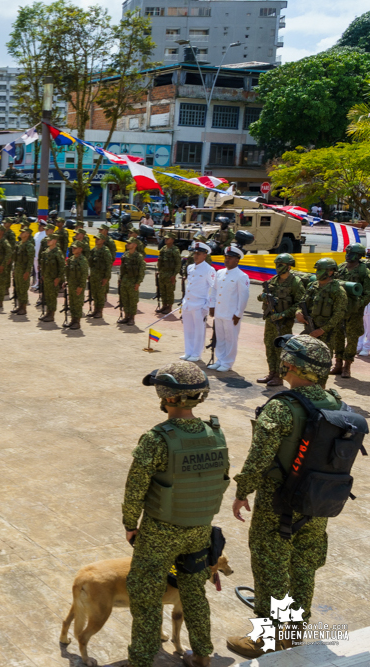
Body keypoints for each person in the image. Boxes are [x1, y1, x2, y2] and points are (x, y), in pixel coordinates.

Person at [226, 335, 350, 659]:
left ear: (291, 365)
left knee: (271, 565)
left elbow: (259, 457)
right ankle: (292, 633)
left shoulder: (282, 407)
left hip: (277, 503)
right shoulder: (337, 402)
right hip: (318, 502)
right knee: (304, 565)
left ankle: (266, 639)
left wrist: (242, 491)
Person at [125, 361, 227, 667]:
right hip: (199, 529)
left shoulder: (157, 438)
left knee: (146, 594)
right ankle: (203, 654)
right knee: (194, 591)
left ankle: (142, 659)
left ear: (166, 396)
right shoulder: (215, 433)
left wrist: (131, 524)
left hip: (160, 531)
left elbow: (135, 489)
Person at [257, 254, 307, 386]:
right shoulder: (273, 280)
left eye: (280, 265)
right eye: (276, 265)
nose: (277, 268)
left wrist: (283, 314)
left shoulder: (295, 282)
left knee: (281, 349)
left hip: (283, 322)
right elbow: (260, 296)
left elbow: (300, 304)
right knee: (269, 345)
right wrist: (263, 296)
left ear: (289, 266)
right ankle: (272, 372)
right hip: (271, 320)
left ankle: (279, 376)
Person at [207, 245, 251, 372]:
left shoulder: (241, 276)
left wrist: (239, 314)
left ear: (237, 260)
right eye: (226, 257)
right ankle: (220, 360)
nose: (227, 260)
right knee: (220, 338)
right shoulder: (219, 273)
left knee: (230, 339)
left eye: (230, 258)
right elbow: (214, 290)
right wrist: (212, 306)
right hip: (219, 312)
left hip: (232, 314)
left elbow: (243, 297)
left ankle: (227, 362)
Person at [330, 243, 370, 377]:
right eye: (347, 253)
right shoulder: (341, 268)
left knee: (352, 339)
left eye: (351, 253)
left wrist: (357, 305)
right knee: (338, 337)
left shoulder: (364, 272)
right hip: (339, 310)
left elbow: (368, 294)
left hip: (354, 312)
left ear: (359, 256)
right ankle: (338, 364)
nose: (347, 255)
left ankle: (347, 366)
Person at [295, 258, 348, 358]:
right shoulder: (312, 286)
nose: (317, 273)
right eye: (317, 270)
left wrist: (322, 330)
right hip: (309, 329)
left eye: (320, 270)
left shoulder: (337, 290)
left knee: (322, 360)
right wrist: (298, 312)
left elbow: (339, 314)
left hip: (326, 333)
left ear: (330, 272)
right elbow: (302, 303)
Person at [181, 243, 216, 362]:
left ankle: (196, 353)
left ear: (205, 255)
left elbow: (214, 288)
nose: (195, 256)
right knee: (188, 329)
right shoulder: (190, 267)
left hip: (200, 304)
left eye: (199, 254)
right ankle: (188, 351)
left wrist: (209, 305)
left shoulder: (209, 269)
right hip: (188, 303)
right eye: (195, 253)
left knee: (199, 330)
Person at [118, 240, 146, 326]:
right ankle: (126, 316)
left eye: (129, 243)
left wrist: (138, 282)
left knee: (132, 301)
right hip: (125, 281)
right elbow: (122, 268)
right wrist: (120, 279)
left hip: (133, 282)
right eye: (127, 243)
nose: (127, 244)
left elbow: (142, 271)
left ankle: (132, 318)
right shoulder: (125, 255)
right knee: (125, 300)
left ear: (135, 245)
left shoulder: (138, 257)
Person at [38, 236, 65, 323]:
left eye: (50, 240)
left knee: (52, 297)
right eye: (48, 240)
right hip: (46, 278)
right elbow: (43, 265)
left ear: (55, 241)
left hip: (54, 279)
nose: (48, 241)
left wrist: (58, 278)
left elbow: (62, 266)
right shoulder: (46, 251)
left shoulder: (57, 252)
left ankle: (51, 314)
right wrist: (42, 275)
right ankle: (48, 313)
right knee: (47, 296)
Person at [10, 226, 35, 315]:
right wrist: (14, 270)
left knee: (23, 289)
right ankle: (19, 306)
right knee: (18, 289)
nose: (21, 233)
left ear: (27, 234)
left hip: (24, 271)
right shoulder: (19, 244)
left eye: (23, 232)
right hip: (18, 270)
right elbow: (16, 259)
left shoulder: (29, 246)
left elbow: (30, 260)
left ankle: (23, 308)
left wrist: (28, 272)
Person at [88, 234, 112, 319]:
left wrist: (106, 278)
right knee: (94, 293)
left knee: (100, 294)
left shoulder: (105, 251)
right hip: (94, 275)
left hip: (101, 276)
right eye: (96, 239)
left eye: (98, 239)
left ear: (103, 240)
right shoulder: (93, 250)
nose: (96, 240)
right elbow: (91, 264)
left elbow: (108, 266)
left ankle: (100, 311)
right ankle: (95, 310)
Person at [64, 242, 88, 329]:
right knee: (72, 303)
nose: (73, 249)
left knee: (77, 303)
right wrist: (67, 281)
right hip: (71, 285)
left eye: (75, 248)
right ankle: (72, 320)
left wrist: (81, 286)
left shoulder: (82, 260)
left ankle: (77, 322)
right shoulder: (71, 259)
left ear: (80, 249)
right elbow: (68, 272)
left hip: (78, 285)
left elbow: (84, 275)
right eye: (72, 248)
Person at [156, 233, 180, 315]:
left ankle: (169, 307)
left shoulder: (175, 250)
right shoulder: (163, 249)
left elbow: (178, 264)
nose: (166, 239)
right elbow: (160, 261)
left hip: (170, 274)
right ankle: (164, 305)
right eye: (165, 238)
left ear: (172, 240)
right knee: (163, 290)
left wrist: (174, 275)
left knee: (169, 291)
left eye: (168, 238)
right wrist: (159, 271)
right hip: (162, 273)